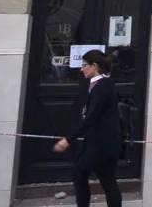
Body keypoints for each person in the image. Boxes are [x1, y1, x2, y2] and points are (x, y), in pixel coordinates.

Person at [53, 49, 122, 207]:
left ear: (94, 66)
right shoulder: (101, 85)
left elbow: (92, 118)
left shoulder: (101, 87)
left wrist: (69, 139)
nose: (81, 69)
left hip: (102, 144)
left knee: (83, 174)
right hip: (102, 142)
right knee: (104, 179)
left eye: (84, 65)